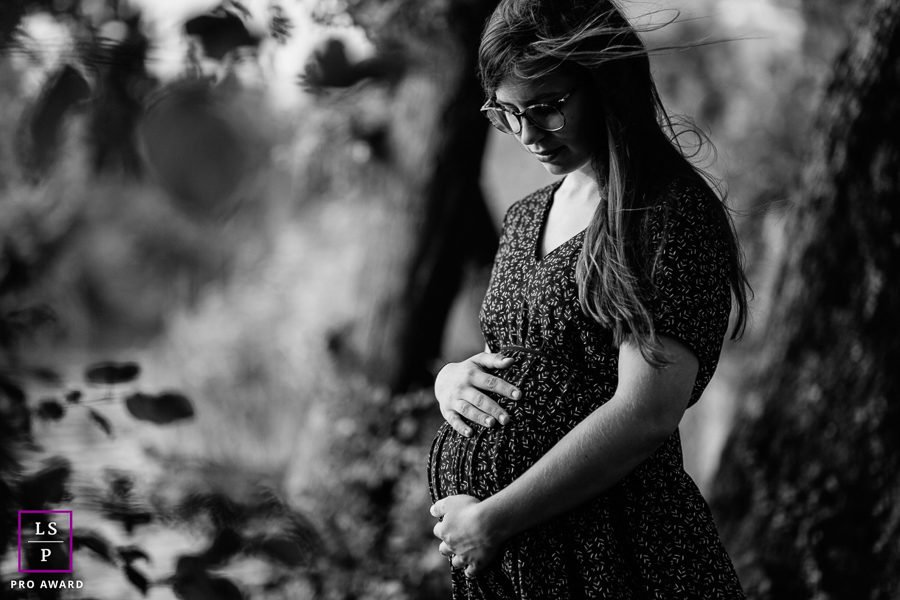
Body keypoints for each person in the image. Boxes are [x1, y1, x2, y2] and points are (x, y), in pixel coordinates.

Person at [426, 0, 750, 598]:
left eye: (547, 108)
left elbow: (645, 413)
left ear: (606, 85)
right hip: (525, 566)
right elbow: (519, 359)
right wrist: (452, 380)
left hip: (623, 555)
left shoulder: (666, 215)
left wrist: (494, 519)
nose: (528, 135)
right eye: (507, 113)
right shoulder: (526, 217)